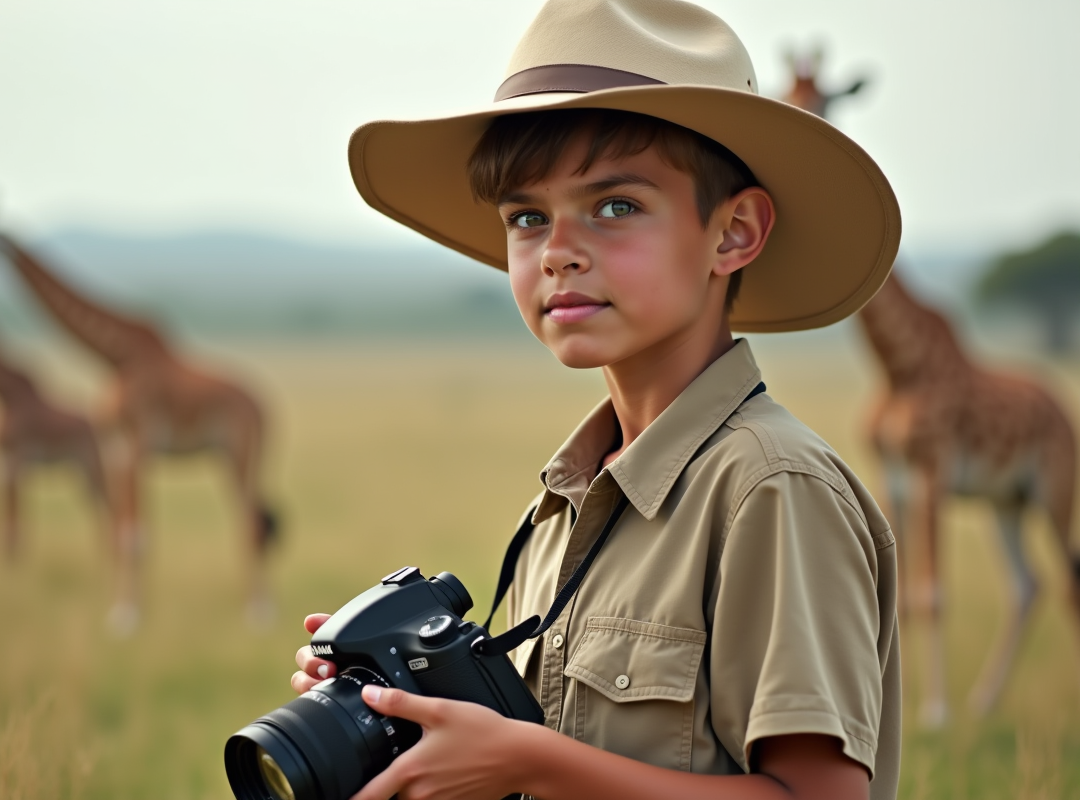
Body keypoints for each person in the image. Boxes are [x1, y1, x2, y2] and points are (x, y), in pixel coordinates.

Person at [293, 1, 902, 798]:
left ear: (733, 233)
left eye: (616, 206)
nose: (558, 253)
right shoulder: (562, 506)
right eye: (527, 217)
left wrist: (527, 761)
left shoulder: (772, 489)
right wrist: (397, 719)